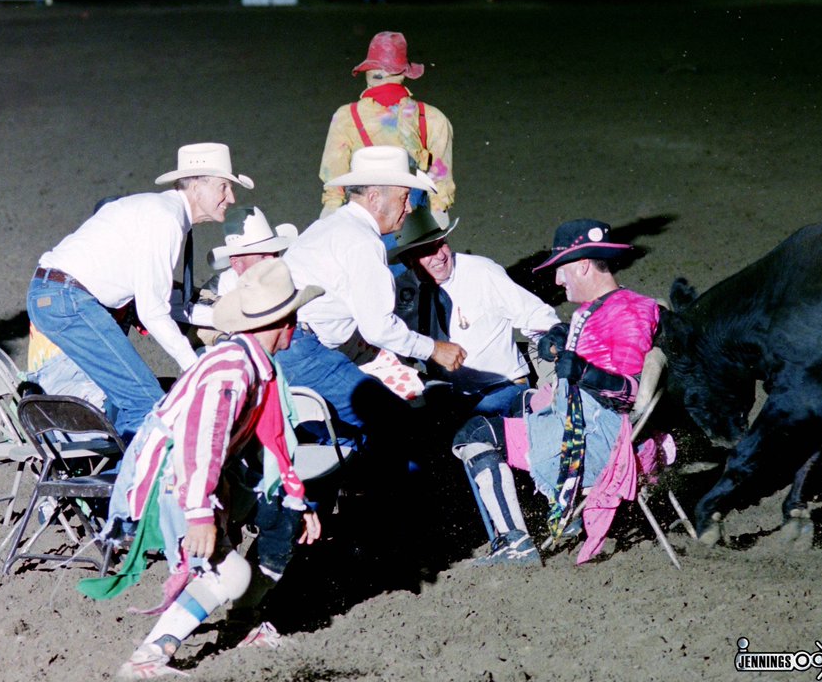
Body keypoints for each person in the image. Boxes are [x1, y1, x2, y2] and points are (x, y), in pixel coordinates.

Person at [77, 260, 325, 679]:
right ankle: (149, 655)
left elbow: (265, 443)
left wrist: (295, 498)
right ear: (283, 322)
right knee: (230, 575)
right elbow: (199, 442)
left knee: (282, 518)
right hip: (176, 478)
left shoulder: (251, 364)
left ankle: (242, 624)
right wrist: (199, 514)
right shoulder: (233, 370)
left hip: (202, 473)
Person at [451, 219, 662, 566]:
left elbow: (630, 394)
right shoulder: (602, 309)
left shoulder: (626, 312)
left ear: (583, 265)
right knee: (518, 403)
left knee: (474, 435)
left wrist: (585, 372)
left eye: (561, 270)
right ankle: (561, 513)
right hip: (586, 428)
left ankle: (516, 542)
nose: (557, 281)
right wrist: (562, 339)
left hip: (597, 444)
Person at [26, 142, 252, 439]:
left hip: (57, 294)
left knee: (138, 396)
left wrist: (222, 318)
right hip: (66, 299)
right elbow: (153, 311)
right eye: (224, 187)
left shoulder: (160, 212)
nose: (231, 197)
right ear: (197, 187)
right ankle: (133, 467)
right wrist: (195, 366)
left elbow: (162, 302)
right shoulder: (166, 219)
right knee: (144, 401)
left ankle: (126, 459)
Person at [278, 145, 466, 450]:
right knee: (393, 419)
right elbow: (378, 327)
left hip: (292, 345)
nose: (409, 208)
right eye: (403, 198)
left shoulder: (330, 226)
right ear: (375, 198)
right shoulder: (363, 242)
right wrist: (434, 349)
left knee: (351, 432)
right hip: (303, 351)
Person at [391, 205, 561, 417]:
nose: (440, 256)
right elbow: (389, 340)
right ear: (408, 260)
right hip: (446, 393)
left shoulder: (481, 272)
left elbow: (532, 312)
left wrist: (553, 338)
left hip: (500, 387)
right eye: (427, 251)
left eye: (441, 244)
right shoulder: (402, 291)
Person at [318, 32, 454, 274]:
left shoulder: (346, 116)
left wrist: (330, 209)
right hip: (411, 210)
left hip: (365, 206)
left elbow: (334, 171)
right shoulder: (431, 117)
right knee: (410, 275)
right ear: (404, 74)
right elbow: (440, 177)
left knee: (365, 271)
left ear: (370, 74)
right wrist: (438, 211)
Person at [179, 205, 298, 345]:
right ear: (236, 263)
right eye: (263, 256)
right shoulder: (214, 292)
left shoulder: (292, 276)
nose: (273, 260)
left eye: (275, 253)